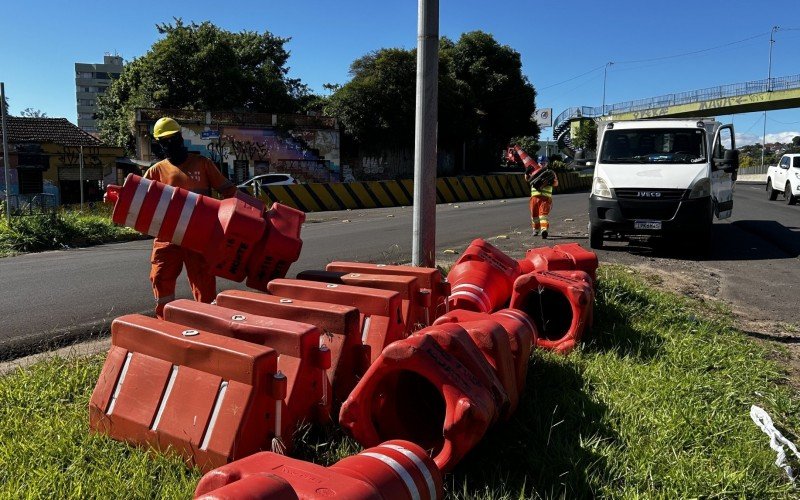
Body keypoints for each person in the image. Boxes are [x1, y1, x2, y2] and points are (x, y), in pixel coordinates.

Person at [143, 117, 237, 318]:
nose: (170, 144)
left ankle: (208, 321)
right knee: (160, 277)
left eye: (173, 138)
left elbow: (228, 191)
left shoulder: (202, 164)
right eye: (164, 141)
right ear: (159, 143)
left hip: (200, 237)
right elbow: (139, 200)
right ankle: (166, 321)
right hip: (167, 238)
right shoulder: (155, 171)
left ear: (180, 137)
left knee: (203, 280)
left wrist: (248, 212)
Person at [524, 158, 558, 239]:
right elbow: (527, 180)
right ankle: (535, 230)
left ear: (547, 163)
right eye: (540, 163)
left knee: (543, 215)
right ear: (538, 163)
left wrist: (551, 182)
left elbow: (556, 183)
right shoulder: (533, 172)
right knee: (534, 215)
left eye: (544, 163)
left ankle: (544, 230)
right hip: (534, 198)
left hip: (545, 198)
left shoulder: (550, 172)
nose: (542, 164)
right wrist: (526, 173)